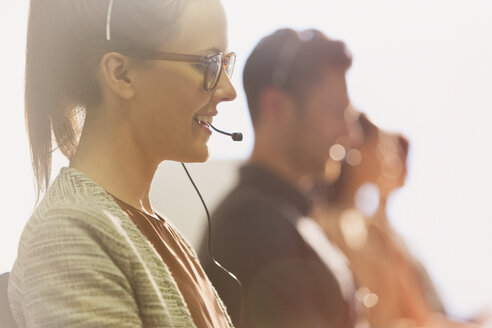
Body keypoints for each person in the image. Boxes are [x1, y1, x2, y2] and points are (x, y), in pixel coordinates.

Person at [8, 0, 237, 327]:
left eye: (225, 63)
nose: (228, 91)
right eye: (209, 64)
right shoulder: (70, 240)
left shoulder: (153, 227)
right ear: (121, 73)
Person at [199, 28, 363, 328]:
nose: (349, 134)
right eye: (336, 111)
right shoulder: (249, 227)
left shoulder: (288, 215)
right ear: (276, 105)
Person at [315, 114, 480, 328]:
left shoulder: (374, 229)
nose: (389, 154)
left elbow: (419, 314)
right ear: (356, 146)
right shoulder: (327, 225)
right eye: (381, 145)